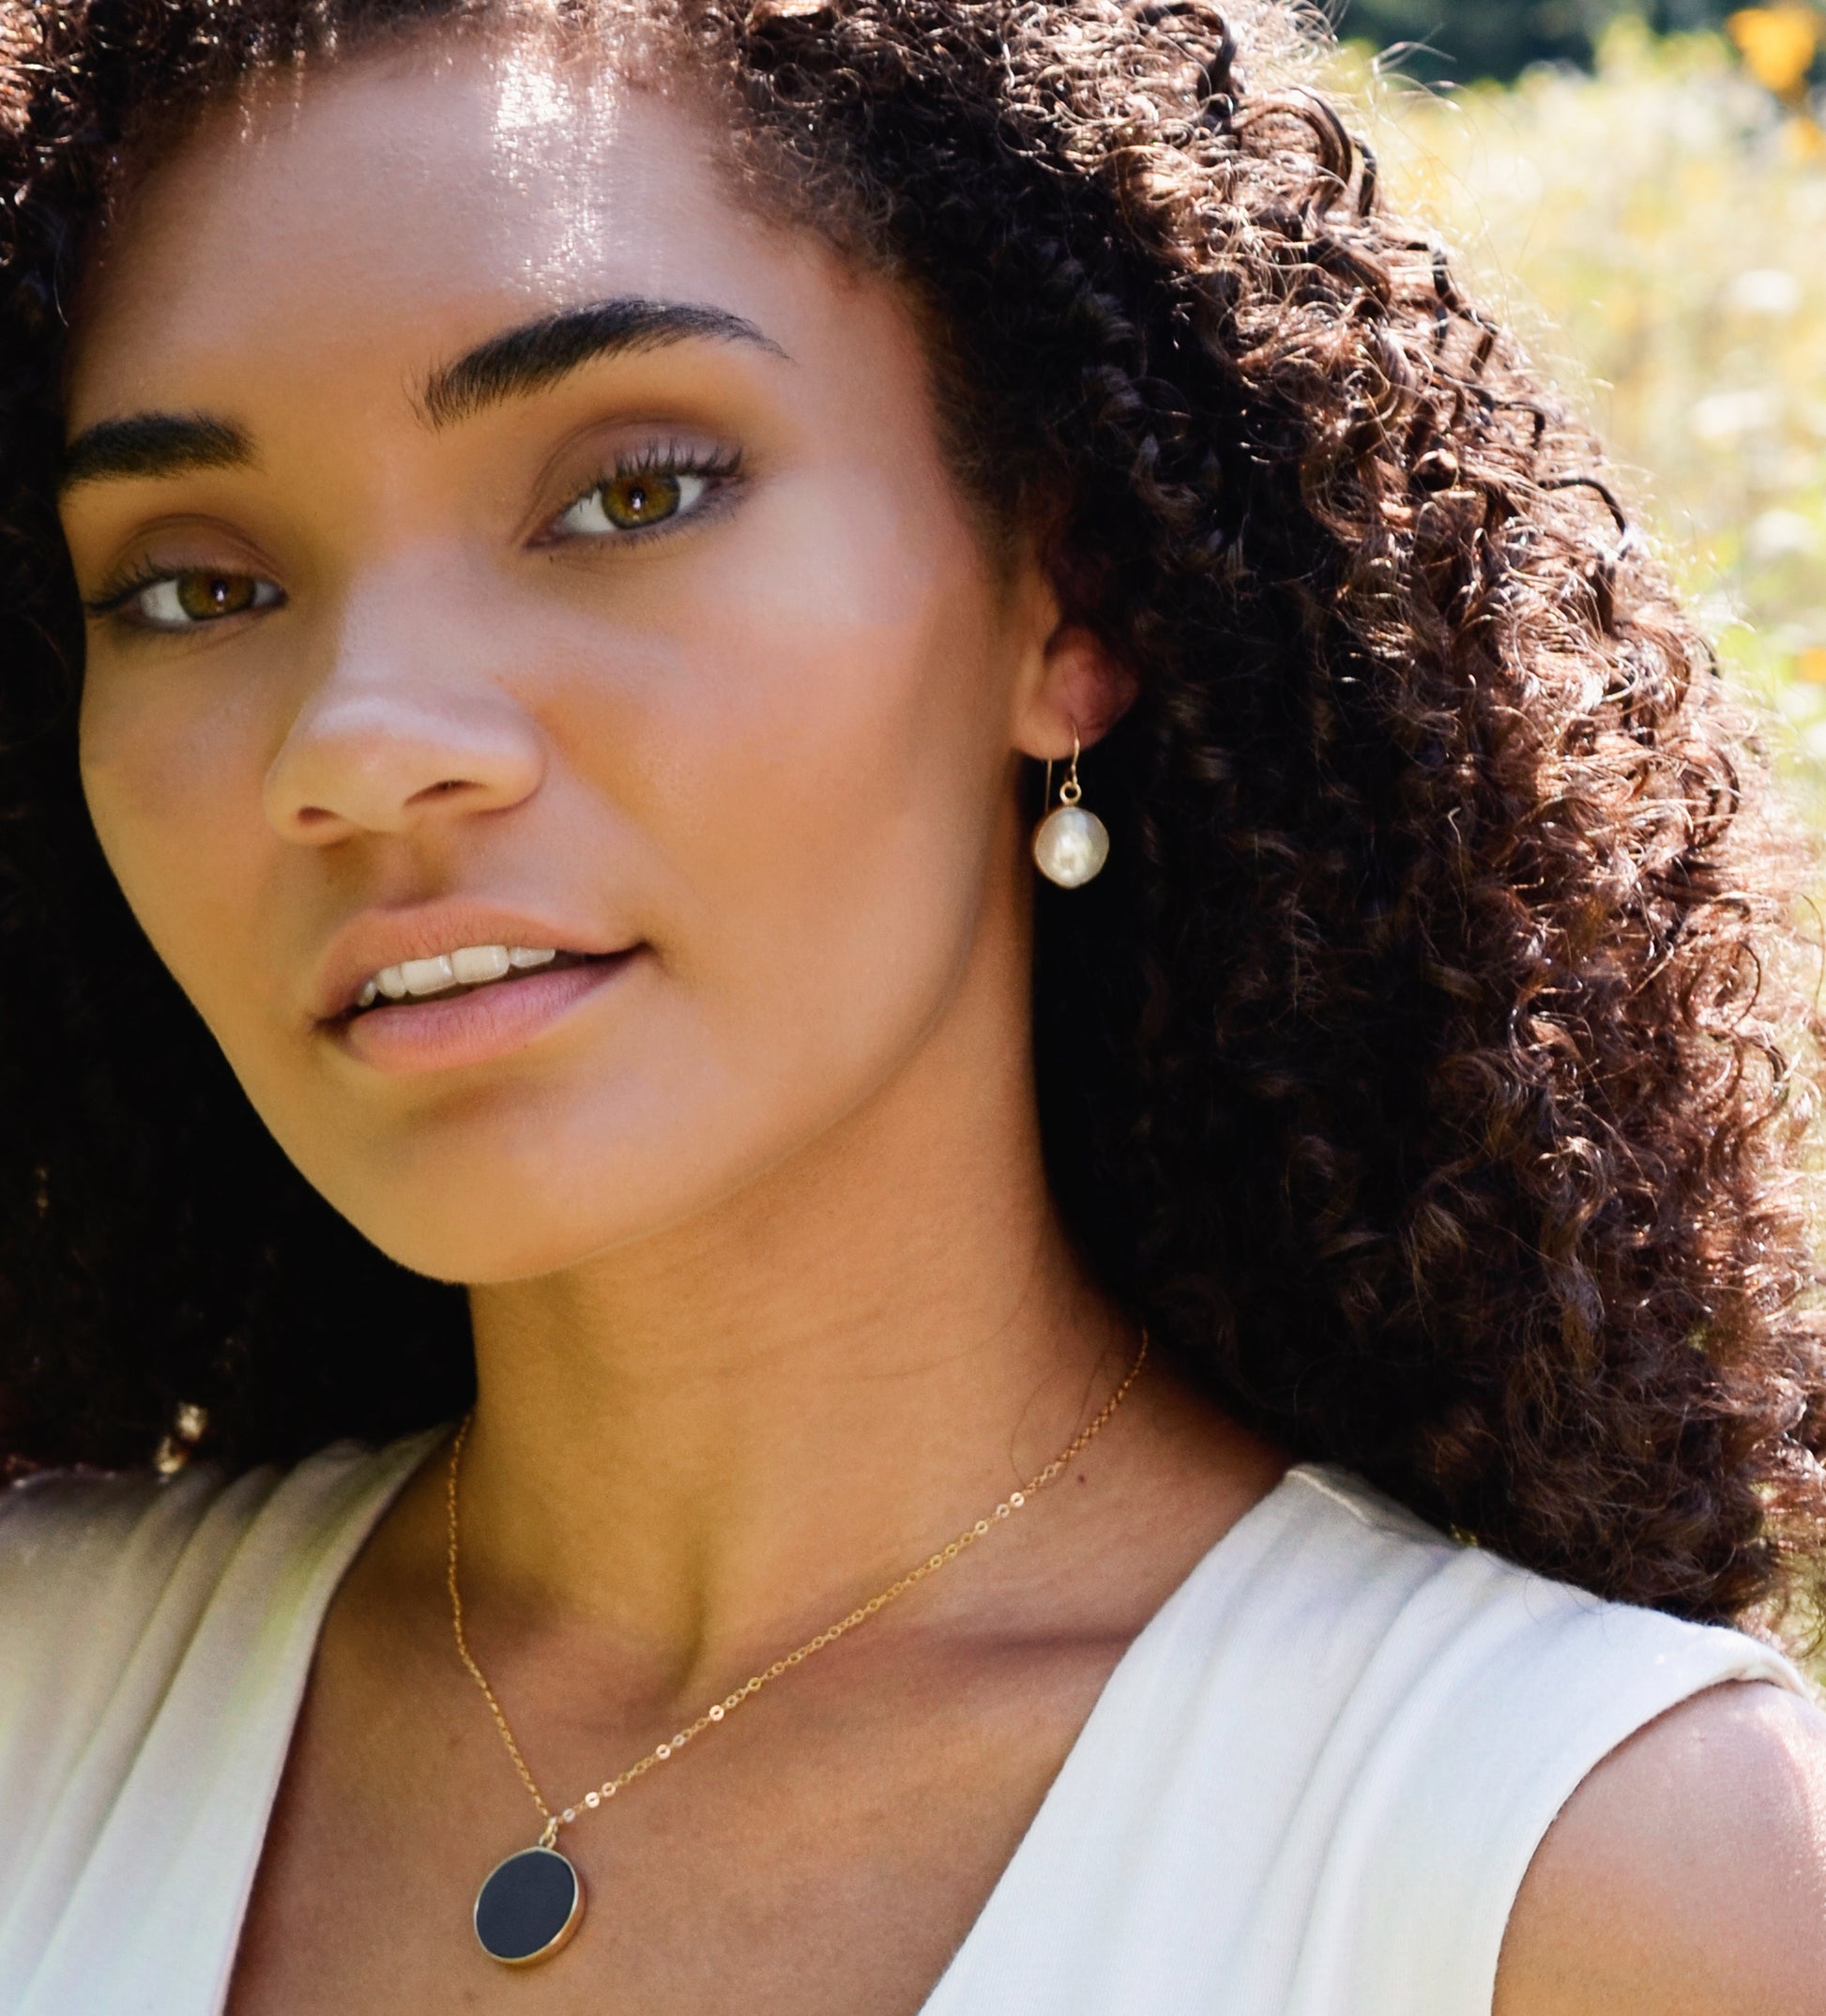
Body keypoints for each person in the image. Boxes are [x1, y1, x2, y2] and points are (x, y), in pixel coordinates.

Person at [2, 0, 1824, 2008]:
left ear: (1071, 599)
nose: (355, 743)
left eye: (629, 494)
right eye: (192, 586)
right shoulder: (31, 1700)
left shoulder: (1582, 1875)